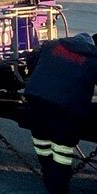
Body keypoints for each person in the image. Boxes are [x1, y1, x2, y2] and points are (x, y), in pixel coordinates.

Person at [24, 33, 97, 193]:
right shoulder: (93, 58)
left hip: (36, 100)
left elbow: (32, 60)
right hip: (66, 108)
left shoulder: (51, 45)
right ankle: (58, 187)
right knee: (62, 150)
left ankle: (48, 175)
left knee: (41, 141)